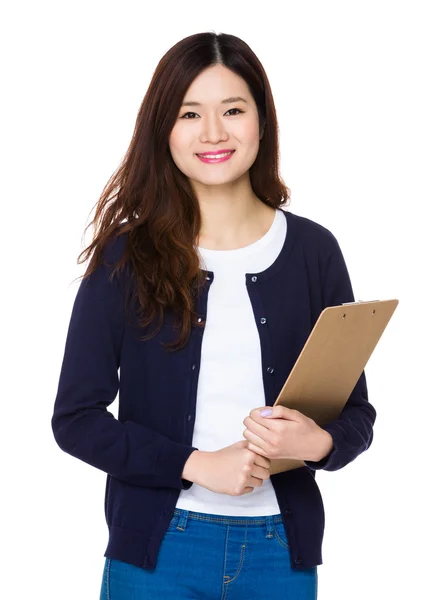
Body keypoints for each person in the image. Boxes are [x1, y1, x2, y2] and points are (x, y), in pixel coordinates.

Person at [51, 31, 376, 600]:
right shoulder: (124, 258)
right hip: (157, 553)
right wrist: (196, 464)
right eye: (189, 113)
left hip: (282, 553)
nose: (213, 133)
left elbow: (356, 413)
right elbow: (76, 419)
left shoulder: (314, 251)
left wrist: (316, 444)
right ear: (164, 130)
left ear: (261, 120)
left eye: (232, 110)